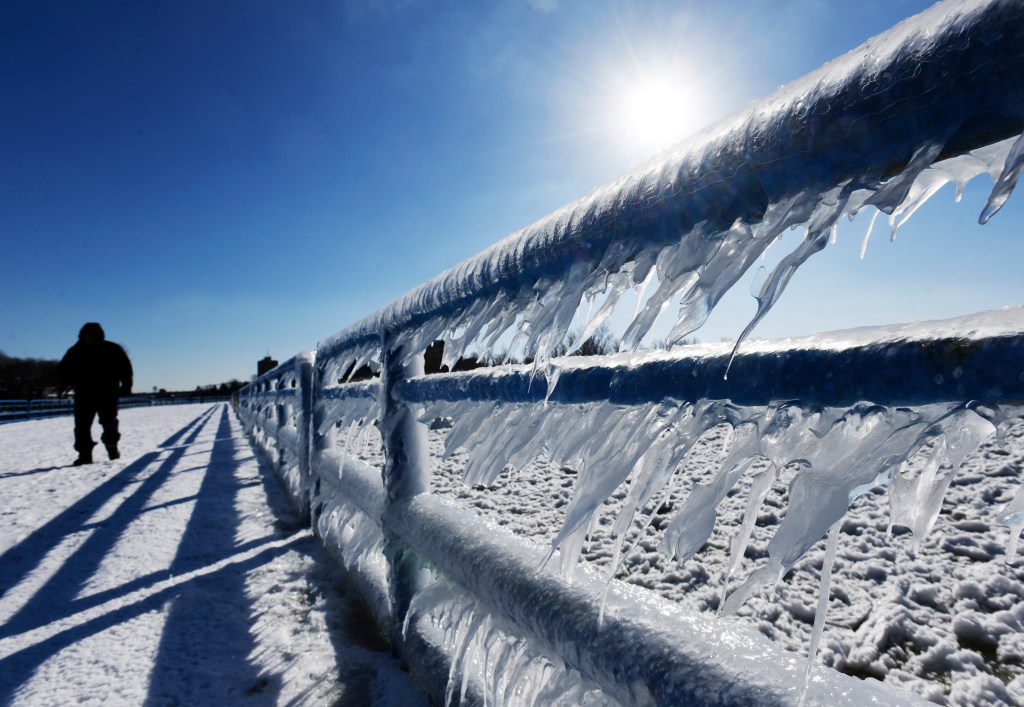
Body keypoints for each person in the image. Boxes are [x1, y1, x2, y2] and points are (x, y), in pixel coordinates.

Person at [59, 322, 133, 465]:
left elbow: (125, 368)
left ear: (99, 336)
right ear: (82, 336)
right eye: (87, 336)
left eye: (92, 335)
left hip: (108, 393)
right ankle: (84, 453)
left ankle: (112, 447)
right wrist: (72, 381)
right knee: (82, 425)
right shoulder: (75, 351)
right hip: (84, 394)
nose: (89, 338)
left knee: (109, 422)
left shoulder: (112, 349)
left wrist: (126, 385)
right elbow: (62, 369)